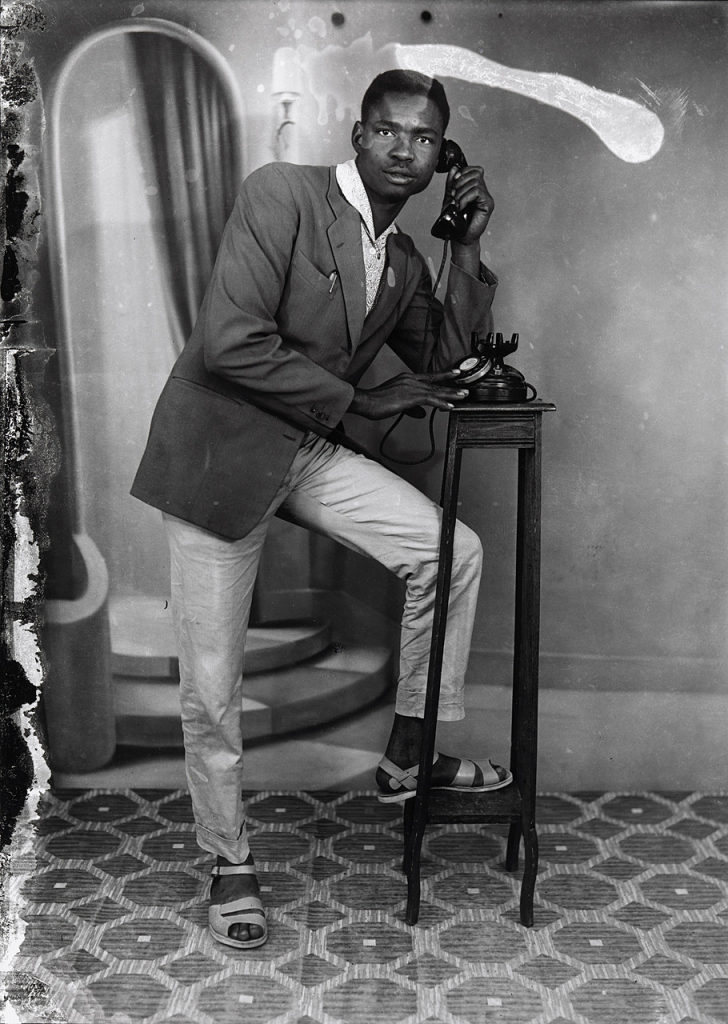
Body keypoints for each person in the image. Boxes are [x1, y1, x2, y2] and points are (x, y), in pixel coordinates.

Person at [131, 69, 511, 950]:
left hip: (303, 444)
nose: (404, 149)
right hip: (221, 453)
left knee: (449, 551)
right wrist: (353, 400)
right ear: (358, 134)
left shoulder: (406, 258)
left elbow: (447, 356)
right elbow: (230, 342)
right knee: (214, 686)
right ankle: (229, 861)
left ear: (437, 161)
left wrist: (464, 244)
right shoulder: (282, 196)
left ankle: (408, 749)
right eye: (389, 130)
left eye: (423, 140)